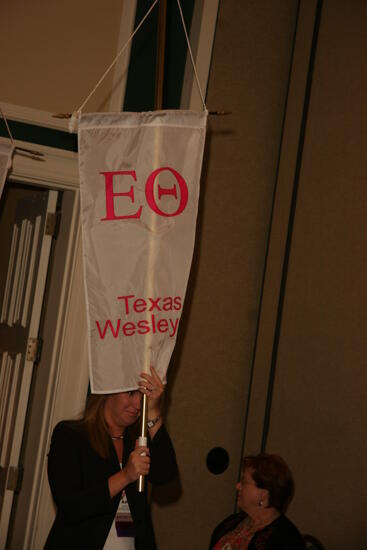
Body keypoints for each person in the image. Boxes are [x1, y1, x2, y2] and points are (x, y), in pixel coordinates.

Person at [45, 366, 177, 550]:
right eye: (131, 394)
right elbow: (71, 507)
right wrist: (126, 475)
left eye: (142, 396)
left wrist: (153, 413)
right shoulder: (71, 436)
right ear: (107, 391)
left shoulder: (137, 441)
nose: (138, 405)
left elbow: (166, 475)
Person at [209, 453, 306, 549]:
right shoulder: (232, 523)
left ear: (264, 495)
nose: (238, 486)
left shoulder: (285, 540)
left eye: (244, 482)